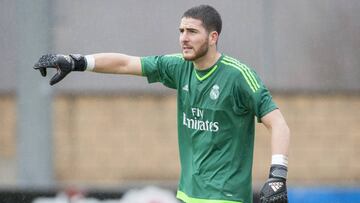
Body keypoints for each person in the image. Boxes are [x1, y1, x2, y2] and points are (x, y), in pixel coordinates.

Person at [34, 5, 290, 203]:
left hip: (226, 196)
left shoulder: (238, 76)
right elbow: (126, 64)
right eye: (181, 31)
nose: (183, 38)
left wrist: (277, 175)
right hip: (188, 193)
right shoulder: (178, 66)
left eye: (192, 32)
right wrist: (77, 61)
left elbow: (278, 123)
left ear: (213, 37)